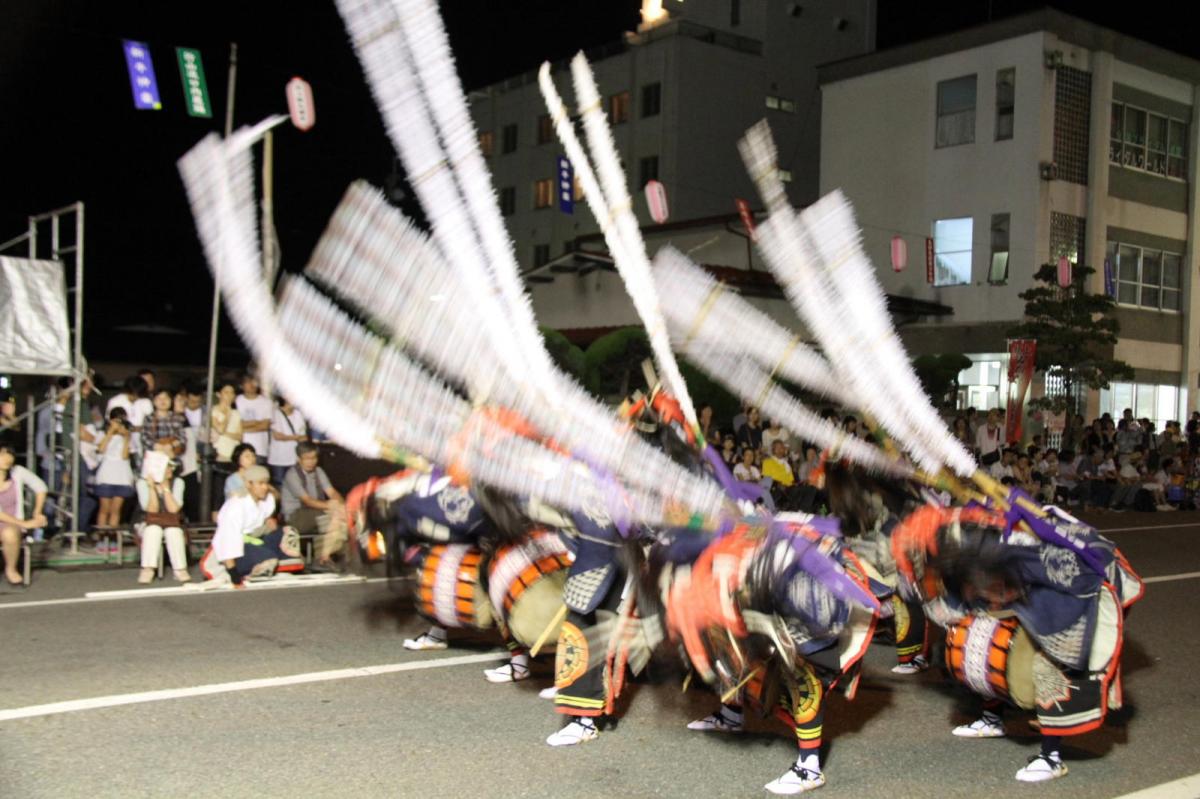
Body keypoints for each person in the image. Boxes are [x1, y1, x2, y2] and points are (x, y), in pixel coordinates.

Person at [203, 465, 299, 588]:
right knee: (268, 559)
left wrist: (269, 525)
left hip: (255, 539)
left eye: (266, 483)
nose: (265, 487)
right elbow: (228, 540)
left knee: (288, 533)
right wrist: (235, 578)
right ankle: (256, 565)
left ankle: (275, 561)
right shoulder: (235, 506)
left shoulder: (267, 499)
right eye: (260, 483)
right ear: (248, 484)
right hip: (235, 549)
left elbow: (263, 521)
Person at [281, 442, 346, 567]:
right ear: (299, 459)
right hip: (296, 516)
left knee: (343, 515)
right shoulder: (292, 475)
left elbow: (331, 492)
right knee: (335, 516)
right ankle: (323, 558)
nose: (311, 462)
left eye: (314, 458)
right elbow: (307, 501)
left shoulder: (318, 471)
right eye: (307, 458)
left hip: (314, 511)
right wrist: (330, 506)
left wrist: (341, 505)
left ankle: (327, 556)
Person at [0, 443, 49, 585]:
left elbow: (41, 487)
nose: (8, 458)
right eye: (2, 454)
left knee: (9, 532)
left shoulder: (18, 472)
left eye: (10, 454)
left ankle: (11, 568)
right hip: (17, 522)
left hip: (12, 525)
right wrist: (26, 523)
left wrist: (37, 512)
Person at [136, 459, 190, 583]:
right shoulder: (142, 483)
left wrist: (166, 489)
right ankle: (148, 569)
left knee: (174, 531)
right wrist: (151, 488)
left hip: (172, 521)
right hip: (148, 521)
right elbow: (151, 510)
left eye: (171, 467)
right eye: (167, 467)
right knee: (153, 530)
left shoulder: (178, 482)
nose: (171, 470)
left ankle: (180, 569)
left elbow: (174, 509)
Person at [94, 408, 135, 538]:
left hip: (122, 477)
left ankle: (112, 537)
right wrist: (110, 433)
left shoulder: (128, 437)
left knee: (115, 510)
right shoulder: (103, 434)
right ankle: (101, 536)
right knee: (104, 509)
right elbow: (100, 450)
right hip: (106, 475)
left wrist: (127, 437)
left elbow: (124, 456)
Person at [268, 397, 307, 485]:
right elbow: (277, 436)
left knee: (296, 485)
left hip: (294, 458)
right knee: (280, 485)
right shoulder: (275, 413)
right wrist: (296, 437)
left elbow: (304, 437)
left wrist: (287, 437)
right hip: (278, 459)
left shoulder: (298, 414)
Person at [235, 374, 273, 464]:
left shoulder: (266, 402)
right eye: (248, 382)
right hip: (240, 449)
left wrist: (243, 428)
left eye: (254, 382)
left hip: (260, 450)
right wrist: (256, 422)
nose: (252, 384)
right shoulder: (237, 401)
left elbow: (265, 425)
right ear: (242, 385)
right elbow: (235, 424)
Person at [141, 387, 187, 457]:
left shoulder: (177, 418)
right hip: (155, 456)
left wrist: (171, 446)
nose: (163, 401)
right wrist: (158, 447)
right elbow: (144, 438)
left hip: (173, 454)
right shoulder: (148, 418)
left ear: (171, 401)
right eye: (159, 398)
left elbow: (182, 438)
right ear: (154, 401)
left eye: (166, 398)